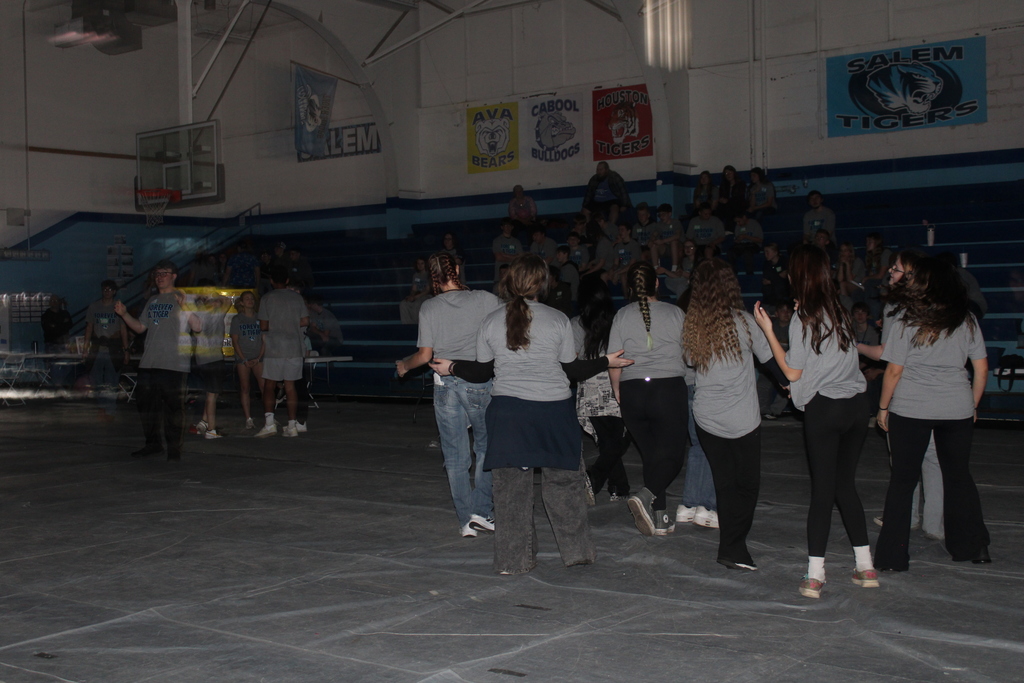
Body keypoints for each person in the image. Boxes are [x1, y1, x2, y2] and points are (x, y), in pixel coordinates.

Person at [431, 253, 632, 573]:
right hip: (553, 414)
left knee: (510, 493)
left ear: (510, 283)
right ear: (544, 284)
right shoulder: (557, 320)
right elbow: (573, 369)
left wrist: (452, 366)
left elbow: (482, 372)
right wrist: (607, 361)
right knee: (565, 487)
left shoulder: (491, 321)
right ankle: (577, 552)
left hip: (509, 415)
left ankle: (513, 561)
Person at [754, 245, 877, 599]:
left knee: (823, 490)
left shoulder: (802, 317)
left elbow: (793, 370)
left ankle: (815, 574)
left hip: (827, 409)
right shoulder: (839, 310)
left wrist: (767, 330)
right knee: (845, 486)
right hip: (856, 406)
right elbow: (822, 362)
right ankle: (865, 565)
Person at [874, 257, 991, 571]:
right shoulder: (965, 319)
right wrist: (972, 405)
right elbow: (981, 369)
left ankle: (893, 556)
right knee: (958, 477)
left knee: (902, 481)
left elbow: (894, 371)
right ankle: (973, 546)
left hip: (912, 408)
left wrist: (883, 408)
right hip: (956, 408)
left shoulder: (904, 318)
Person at [395, 252, 503, 538]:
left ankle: (466, 519)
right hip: (478, 383)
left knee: (455, 456)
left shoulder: (429, 307)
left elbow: (424, 356)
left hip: (445, 385)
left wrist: (404, 366)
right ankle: (482, 510)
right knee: (486, 447)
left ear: (432, 276)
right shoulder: (486, 299)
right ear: (457, 268)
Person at [682, 259, 779, 571]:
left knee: (725, 484)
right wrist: (792, 382)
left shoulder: (693, 325)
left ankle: (731, 547)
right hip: (741, 419)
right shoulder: (745, 322)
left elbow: (688, 360)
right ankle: (733, 547)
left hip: (707, 417)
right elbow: (772, 361)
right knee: (747, 485)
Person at [608, 262, 687, 536]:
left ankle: (661, 517)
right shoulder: (676, 313)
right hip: (667, 390)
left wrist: (617, 389)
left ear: (630, 287)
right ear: (657, 283)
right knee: (673, 454)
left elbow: (614, 359)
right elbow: (689, 356)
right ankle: (646, 496)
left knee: (652, 456)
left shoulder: (621, 315)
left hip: (633, 390)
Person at [114, 260, 201, 461]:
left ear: (174, 276)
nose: (159, 276)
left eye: (164, 273)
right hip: (149, 363)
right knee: (147, 408)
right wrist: (125, 314)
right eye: (156, 273)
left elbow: (197, 326)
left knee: (173, 409)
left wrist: (184, 305)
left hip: (174, 364)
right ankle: (153, 444)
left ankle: (174, 450)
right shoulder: (152, 300)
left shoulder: (184, 297)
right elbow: (139, 328)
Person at [574, 278, 631, 501]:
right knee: (615, 442)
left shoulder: (576, 324)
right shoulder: (619, 321)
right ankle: (599, 478)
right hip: (615, 386)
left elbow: (573, 359)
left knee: (609, 442)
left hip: (590, 392)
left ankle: (618, 485)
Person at [675, 288, 718, 529]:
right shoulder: (707, 326)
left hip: (686, 386)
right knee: (711, 446)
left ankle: (689, 505)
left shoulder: (679, 321)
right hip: (703, 387)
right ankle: (707, 506)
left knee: (697, 447)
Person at [255, 266, 309, 438]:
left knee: (269, 385)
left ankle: (270, 423)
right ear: (287, 280)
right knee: (291, 386)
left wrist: (277, 325)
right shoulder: (297, 298)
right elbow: (305, 320)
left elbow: (263, 326)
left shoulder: (267, 298)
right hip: (294, 346)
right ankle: (292, 426)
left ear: (271, 281)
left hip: (274, 347)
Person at [84, 280, 130, 421]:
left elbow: (123, 329)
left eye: (110, 289)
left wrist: (126, 350)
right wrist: (85, 349)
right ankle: (101, 408)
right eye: (105, 289)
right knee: (96, 381)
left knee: (112, 381)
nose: (107, 292)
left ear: (114, 291)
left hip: (113, 348)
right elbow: (89, 327)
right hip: (97, 348)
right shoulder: (94, 307)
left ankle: (110, 410)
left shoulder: (118, 307)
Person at [191, 285, 232, 439]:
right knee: (212, 395)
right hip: (212, 359)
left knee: (210, 392)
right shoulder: (215, 313)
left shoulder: (197, 313)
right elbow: (227, 300)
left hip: (202, 359)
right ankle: (211, 430)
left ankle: (204, 422)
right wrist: (214, 296)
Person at [230, 291, 265, 430]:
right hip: (242, 358)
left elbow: (264, 340)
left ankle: (269, 417)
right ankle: (248, 419)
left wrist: (258, 358)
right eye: (247, 299)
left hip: (258, 357)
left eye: (252, 298)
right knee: (245, 388)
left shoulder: (260, 318)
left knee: (265, 387)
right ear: (242, 302)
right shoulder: (237, 319)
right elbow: (235, 341)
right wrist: (243, 359)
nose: (250, 300)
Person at [582, 161, 631, 226]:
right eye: (597, 170)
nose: (599, 172)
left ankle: (610, 228)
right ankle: (588, 230)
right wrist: (584, 205)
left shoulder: (614, 177)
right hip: (597, 202)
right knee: (585, 210)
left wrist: (624, 205)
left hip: (611, 201)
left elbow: (623, 191)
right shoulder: (594, 179)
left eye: (601, 170)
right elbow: (588, 194)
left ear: (606, 170)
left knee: (615, 209)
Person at [862, 232, 892, 319]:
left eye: (870, 242)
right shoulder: (870, 256)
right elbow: (872, 273)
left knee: (870, 284)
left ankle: (873, 313)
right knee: (858, 292)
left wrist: (867, 278)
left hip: (886, 281)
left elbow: (881, 275)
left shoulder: (885, 253)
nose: (867, 244)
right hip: (876, 281)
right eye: (866, 242)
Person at [606, 223, 641, 291]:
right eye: (619, 230)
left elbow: (632, 264)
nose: (620, 232)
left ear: (628, 231)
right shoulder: (618, 246)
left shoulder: (634, 245)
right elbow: (616, 263)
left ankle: (626, 298)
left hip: (634, 269)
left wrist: (617, 272)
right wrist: (612, 269)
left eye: (622, 230)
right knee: (604, 275)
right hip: (622, 268)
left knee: (623, 276)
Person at [651, 203, 684, 269]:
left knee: (673, 242)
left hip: (678, 246)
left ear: (669, 214)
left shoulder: (676, 222)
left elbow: (677, 236)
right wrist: (651, 240)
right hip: (666, 248)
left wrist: (663, 241)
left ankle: (674, 268)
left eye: (663, 214)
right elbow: (654, 234)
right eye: (660, 215)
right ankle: (656, 269)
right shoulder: (659, 225)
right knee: (653, 245)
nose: (661, 217)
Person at [400, 257, 432, 325]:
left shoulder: (429, 275)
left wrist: (415, 297)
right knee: (403, 303)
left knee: (417, 304)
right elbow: (414, 289)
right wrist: (411, 296)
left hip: (427, 296)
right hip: (417, 295)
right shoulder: (416, 275)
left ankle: (417, 325)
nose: (420, 265)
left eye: (422, 263)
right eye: (418, 264)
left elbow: (427, 290)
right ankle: (407, 325)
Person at [835, 241, 866, 310]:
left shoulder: (857, 261)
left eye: (845, 250)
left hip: (858, 285)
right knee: (840, 285)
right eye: (841, 251)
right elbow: (839, 279)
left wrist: (847, 264)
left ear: (850, 252)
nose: (843, 253)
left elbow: (850, 279)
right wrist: (841, 265)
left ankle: (846, 307)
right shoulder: (839, 262)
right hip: (846, 285)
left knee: (842, 285)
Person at [715, 165, 747, 229]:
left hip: (738, 205)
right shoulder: (723, 185)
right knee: (718, 209)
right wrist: (721, 200)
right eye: (726, 173)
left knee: (730, 209)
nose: (728, 175)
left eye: (730, 173)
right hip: (726, 205)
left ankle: (729, 229)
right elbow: (721, 196)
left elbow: (740, 198)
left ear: (734, 173)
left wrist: (728, 201)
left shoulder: (741, 184)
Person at [492, 219, 523, 283]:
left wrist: (505, 255)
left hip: (514, 275)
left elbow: (520, 257)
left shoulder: (516, 242)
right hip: (501, 276)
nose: (508, 228)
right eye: (506, 225)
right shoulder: (497, 241)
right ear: (502, 227)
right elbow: (499, 257)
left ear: (512, 227)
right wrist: (514, 257)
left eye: (509, 226)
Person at [761, 242, 789, 312]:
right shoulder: (766, 264)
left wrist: (772, 280)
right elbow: (766, 279)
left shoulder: (784, 261)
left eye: (768, 252)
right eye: (765, 252)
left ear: (775, 252)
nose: (766, 254)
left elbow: (784, 276)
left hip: (781, 293)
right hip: (769, 294)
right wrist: (777, 277)